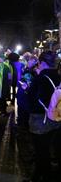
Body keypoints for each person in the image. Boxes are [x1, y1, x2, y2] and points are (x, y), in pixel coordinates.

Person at [27, 50, 61, 182]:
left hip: (41, 121)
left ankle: (42, 175)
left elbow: (34, 100)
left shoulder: (41, 78)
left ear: (44, 63)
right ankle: (42, 174)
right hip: (56, 119)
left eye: (39, 63)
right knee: (48, 149)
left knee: (41, 150)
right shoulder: (58, 76)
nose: (38, 66)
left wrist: (28, 90)